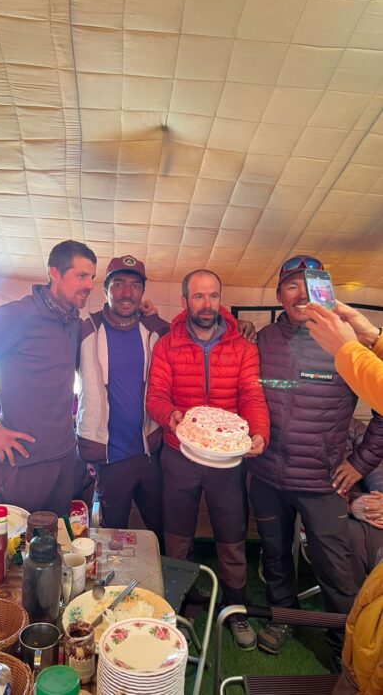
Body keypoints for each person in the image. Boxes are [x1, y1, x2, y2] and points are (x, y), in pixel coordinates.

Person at [248, 255, 383, 660]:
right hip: (268, 474)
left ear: (327, 292)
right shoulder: (264, 340)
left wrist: (359, 464)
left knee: (336, 566)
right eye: (292, 285)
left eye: (313, 284)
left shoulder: (350, 343)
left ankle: (345, 642)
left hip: (322, 481)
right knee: (274, 553)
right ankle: (284, 616)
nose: (302, 293)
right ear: (279, 295)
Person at [146, 269, 270, 650]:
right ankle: (176, 610)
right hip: (179, 454)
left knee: (232, 536)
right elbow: (157, 395)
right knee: (177, 536)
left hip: (228, 461)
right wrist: (171, 416)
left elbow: (251, 394)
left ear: (220, 299)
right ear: (184, 302)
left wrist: (260, 431)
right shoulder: (166, 345)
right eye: (198, 297)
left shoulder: (244, 347)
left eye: (213, 296)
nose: (206, 304)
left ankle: (236, 611)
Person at [0, 240, 97, 514]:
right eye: (81, 276)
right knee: (14, 550)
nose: (89, 285)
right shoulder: (15, 316)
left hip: (64, 460)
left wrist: (146, 316)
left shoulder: (73, 321)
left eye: (92, 277)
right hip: (22, 464)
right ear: (54, 273)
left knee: (53, 548)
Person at [76, 255, 168, 547]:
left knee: (163, 529)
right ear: (104, 290)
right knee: (112, 538)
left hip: (150, 452)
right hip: (110, 459)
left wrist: (237, 322)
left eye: (135, 286)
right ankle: (115, 592)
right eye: (118, 284)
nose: (127, 293)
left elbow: (198, 324)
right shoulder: (84, 330)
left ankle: (173, 591)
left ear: (142, 293)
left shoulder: (156, 331)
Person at [306, 301, 383, 414]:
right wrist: (373, 338)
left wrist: (347, 348)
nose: (302, 294)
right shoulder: (270, 336)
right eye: (292, 287)